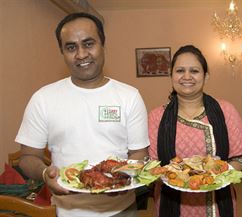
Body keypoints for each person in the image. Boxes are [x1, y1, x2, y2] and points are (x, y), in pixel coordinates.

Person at [15, 12, 149, 217]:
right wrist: (45, 173)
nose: (81, 54)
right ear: (62, 52)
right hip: (66, 210)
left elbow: (139, 153)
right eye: (71, 47)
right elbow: (27, 157)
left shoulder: (129, 97)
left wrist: (125, 177)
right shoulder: (43, 98)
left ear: (103, 44)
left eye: (88, 44)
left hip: (122, 210)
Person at [148, 45, 242, 217]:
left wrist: (216, 176)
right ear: (171, 75)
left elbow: (238, 159)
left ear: (206, 76)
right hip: (170, 204)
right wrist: (174, 177)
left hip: (217, 204)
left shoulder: (226, 111)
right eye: (180, 71)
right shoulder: (157, 117)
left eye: (194, 71)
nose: (187, 77)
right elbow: (153, 165)